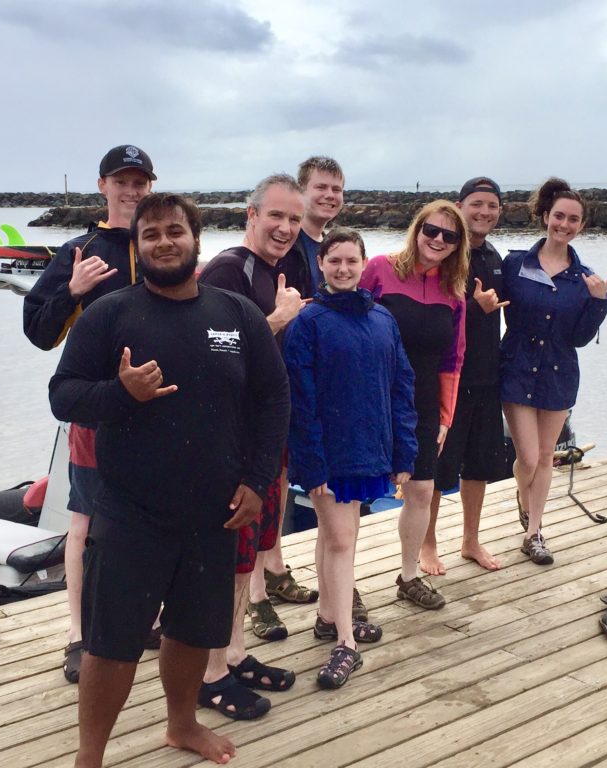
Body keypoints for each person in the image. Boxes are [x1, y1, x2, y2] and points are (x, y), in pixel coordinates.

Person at [49, 193, 290, 767]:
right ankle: (90, 758)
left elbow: (273, 398)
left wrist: (258, 480)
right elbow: (63, 395)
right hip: (132, 512)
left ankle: (181, 725)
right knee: (111, 646)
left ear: (196, 239)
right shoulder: (112, 314)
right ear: (137, 244)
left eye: (173, 231)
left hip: (214, 512)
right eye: (150, 233)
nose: (163, 241)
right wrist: (119, 393)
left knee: (192, 633)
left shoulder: (236, 314)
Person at [23, 144, 155, 683]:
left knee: (149, 520)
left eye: (139, 182)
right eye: (121, 181)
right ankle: (78, 636)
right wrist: (71, 292)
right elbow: (38, 333)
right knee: (84, 522)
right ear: (102, 185)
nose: (131, 190)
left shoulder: (159, 246)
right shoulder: (79, 250)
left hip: (155, 409)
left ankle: (142, 618)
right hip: (97, 411)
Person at [284, 228, 418, 688]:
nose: (343, 269)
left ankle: (327, 616)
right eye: (334, 260)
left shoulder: (383, 318)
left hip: (372, 450)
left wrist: (404, 451)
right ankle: (346, 641)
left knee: (335, 537)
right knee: (341, 540)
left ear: (364, 265)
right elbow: (301, 402)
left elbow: (402, 388)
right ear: (320, 264)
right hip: (331, 456)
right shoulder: (308, 323)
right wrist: (313, 464)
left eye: (351, 261)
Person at [195, 173, 304, 718]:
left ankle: (234, 654)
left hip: (266, 435)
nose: (285, 228)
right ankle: (210, 675)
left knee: (251, 556)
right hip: (229, 442)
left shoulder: (271, 270)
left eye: (294, 219)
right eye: (276, 216)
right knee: (228, 555)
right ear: (251, 215)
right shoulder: (226, 269)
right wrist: (280, 318)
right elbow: (216, 358)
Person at [246, 156, 345, 639]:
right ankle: (257, 589)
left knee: (282, 478)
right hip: (270, 378)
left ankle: (276, 568)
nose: (328, 196)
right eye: (320, 188)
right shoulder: (285, 249)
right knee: (266, 482)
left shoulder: (324, 248)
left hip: (300, 381)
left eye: (337, 190)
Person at [359, 200, 469, 610]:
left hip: (422, 401)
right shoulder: (380, 269)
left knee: (421, 490)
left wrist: (445, 417)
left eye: (449, 235)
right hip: (373, 394)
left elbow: (453, 359)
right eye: (431, 230)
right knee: (353, 495)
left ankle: (408, 577)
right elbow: (349, 319)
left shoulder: (453, 289)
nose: (438, 240)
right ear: (416, 229)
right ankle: (345, 587)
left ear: (458, 244)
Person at [501, 177, 607, 565]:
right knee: (528, 458)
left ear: (581, 225)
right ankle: (522, 495)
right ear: (545, 216)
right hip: (516, 367)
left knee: (547, 456)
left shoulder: (586, 279)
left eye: (574, 219)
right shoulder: (515, 263)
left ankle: (534, 533)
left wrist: (600, 302)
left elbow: (581, 338)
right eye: (559, 216)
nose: (564, 224)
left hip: (559, 372)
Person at [425, 177, 510, 574]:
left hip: (488, 378)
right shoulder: (445, 256)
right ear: (460, 206)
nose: (485, 212)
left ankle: (470, 540)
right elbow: (436, 319)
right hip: (450, 380)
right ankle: (427, 545)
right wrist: (475, 308)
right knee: (439, 470)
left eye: (492, 205)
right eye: (477, 204)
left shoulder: (494, 256)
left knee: (479, 466)